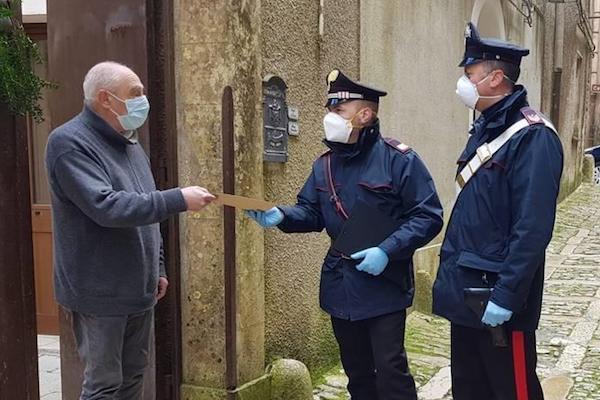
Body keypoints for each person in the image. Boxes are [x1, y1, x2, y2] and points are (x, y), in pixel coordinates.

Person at [247, 69, 443, 400]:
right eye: (329, 110)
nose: (329, 118)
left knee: (391, 369)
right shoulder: (324, 165)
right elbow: (310, 212)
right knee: (357, 373)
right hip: (341, 283)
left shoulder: (399, 160)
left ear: (365, 115)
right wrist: (281, 214)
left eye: (338, 111)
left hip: (384, 283)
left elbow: (428, 215)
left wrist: (387, 250)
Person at [45, 61, 215, 400]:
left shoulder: (130, 144)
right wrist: (178, 198)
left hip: (140, 288)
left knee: (133, 377)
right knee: (104, 384)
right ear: (106, 99)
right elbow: (106, 207)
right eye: (135, 94)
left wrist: (159, 266)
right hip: (99, 291)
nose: (143, 100)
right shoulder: (69, 144)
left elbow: (145, 212)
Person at [432, 23, 563, 400]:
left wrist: (507, 295)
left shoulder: (533, 137)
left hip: (498, 297)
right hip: (468, 291)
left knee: (512, 390)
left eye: (469, 73)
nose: (463, 81)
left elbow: (533, 228)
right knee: (470, 389)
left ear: (495, 78)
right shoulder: (486, 129)